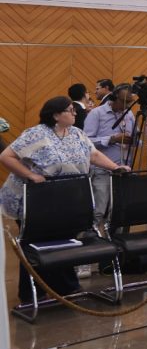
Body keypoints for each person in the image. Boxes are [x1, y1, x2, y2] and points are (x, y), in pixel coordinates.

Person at [0, 96, 129, 302]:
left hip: (64, 200)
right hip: (33, 200)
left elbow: (93, 155)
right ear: (55, 115)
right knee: (36, 243)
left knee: (64, 240)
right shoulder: (36, 134)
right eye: (70, 110)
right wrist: (31, 175)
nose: (75, 113)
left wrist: (115, 167)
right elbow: (6, 156)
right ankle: (34, 294)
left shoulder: (77, 134)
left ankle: (65, 287)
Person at [83, 84, 136, 227]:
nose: (126, 106)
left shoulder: (129, 114)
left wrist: (135, 140)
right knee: (99, 210)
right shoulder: (97, 114)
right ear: (114, 98)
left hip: (123, 169)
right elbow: (86, 142)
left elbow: (132, 137)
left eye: (129, 102)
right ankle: (91, 240)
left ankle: (117, 242)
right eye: (124, 102)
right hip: (102, 170)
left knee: (120, 210)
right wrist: (112, 139)